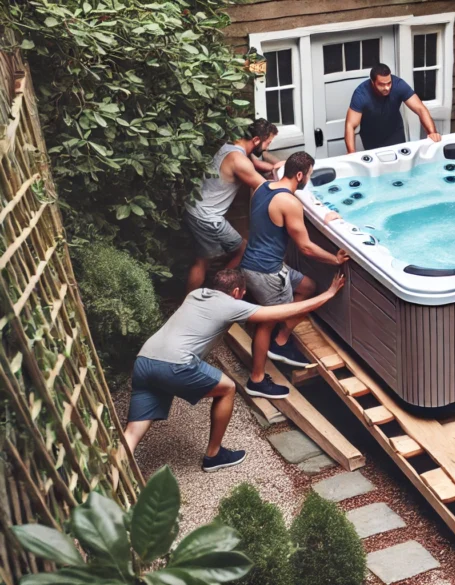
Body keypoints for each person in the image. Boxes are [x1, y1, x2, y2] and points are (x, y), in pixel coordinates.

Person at [123, 268, 346, 471]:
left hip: (144, 361)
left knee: (132, 432)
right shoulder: (231, 304)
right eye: (243, 293)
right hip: (176, 364)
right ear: (237, 291)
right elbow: (280, 312)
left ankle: (114, 471)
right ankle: (214, 455)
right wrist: (327, 294)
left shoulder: (195, 294)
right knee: (227, 388)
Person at [239, 151, 350, 399]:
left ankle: (281, 341)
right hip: (267, 272)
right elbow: (306, 247)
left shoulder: (263, 186)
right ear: (300, 175)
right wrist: (335, 259)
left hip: (256, 264)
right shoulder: (289, 202)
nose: (308, 179)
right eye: (308, 175)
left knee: (307, 287)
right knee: (266, 322)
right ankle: (256, 379)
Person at [185, 119, 279, 293]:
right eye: (268, 143)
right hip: (207, 217)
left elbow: (257, 165)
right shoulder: (239, 161)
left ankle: (190, 302)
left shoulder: (233, 145)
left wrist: (276, 166)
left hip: (195, 208)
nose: (267, 148)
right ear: (257, 140)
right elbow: (267, 190)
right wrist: (287, 179)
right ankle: (218, 292)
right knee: (242, 250)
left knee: (202, 260)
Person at [345, 63, 442, 152]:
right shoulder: (361, 94)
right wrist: (351, 152)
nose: (387, 88)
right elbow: (350, 125)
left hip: (395, 133)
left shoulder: (398, 85)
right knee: (378, 169)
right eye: (382, 85)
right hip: (372, 137)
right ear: (372, 82)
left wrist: (432, 132)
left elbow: (420, 109)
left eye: (389, 83)